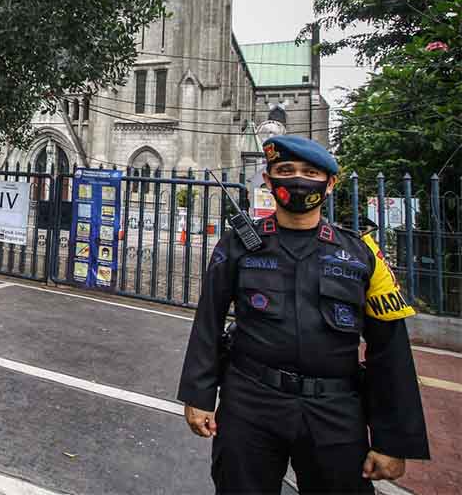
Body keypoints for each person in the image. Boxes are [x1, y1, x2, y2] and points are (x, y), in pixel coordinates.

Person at [178, 135, 429, 494]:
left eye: (310, 172)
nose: (298, 179)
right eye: (286, 170)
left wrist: (393, 440)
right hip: (250, 403)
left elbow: (390, 350)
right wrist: (199, 396)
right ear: (268, 180)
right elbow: (208, 321)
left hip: (335, 412)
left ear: (330, 184)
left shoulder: (362, 255)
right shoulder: (238, 246)